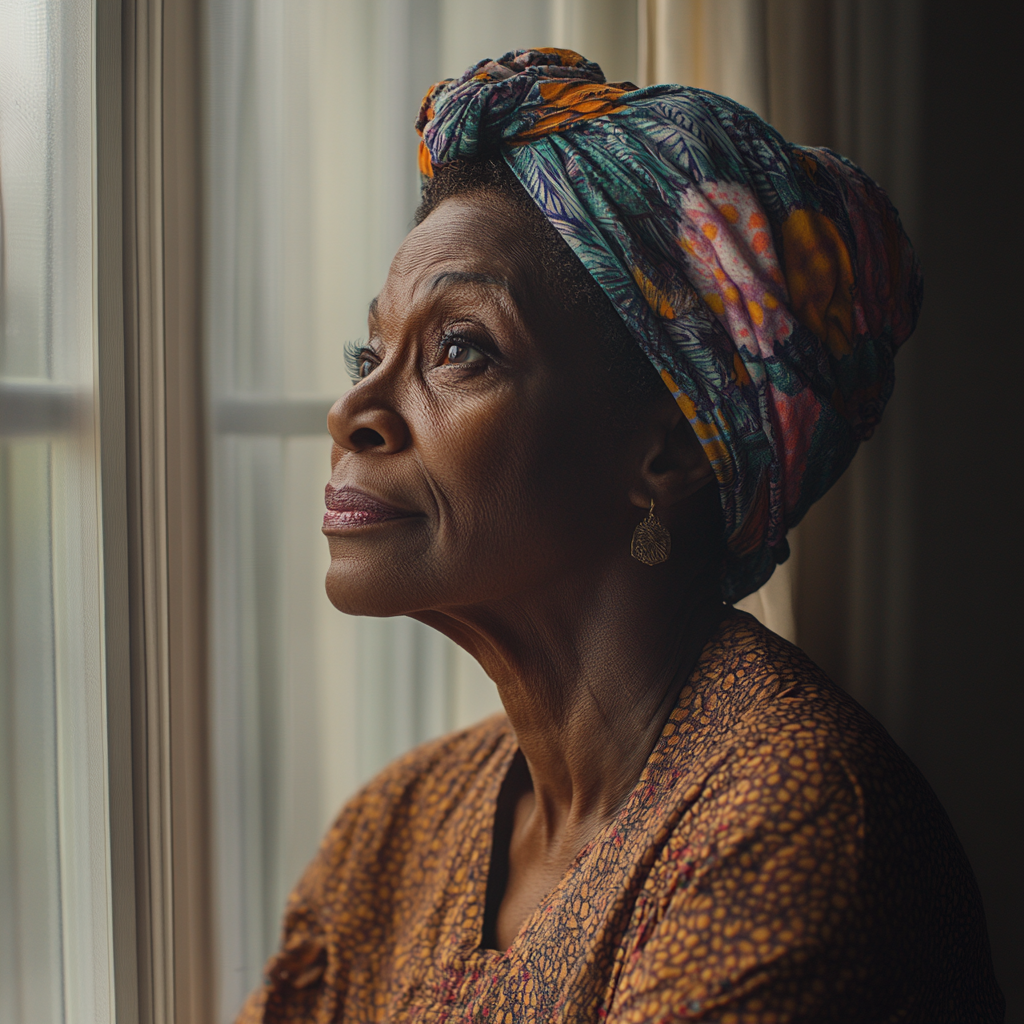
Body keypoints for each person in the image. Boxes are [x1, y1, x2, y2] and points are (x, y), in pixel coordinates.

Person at [239, 49, 1003, 1022]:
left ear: (669, 451)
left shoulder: (790, 832)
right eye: (368, 351)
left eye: (459, 349)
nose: (355, 408)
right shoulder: (396, 830)